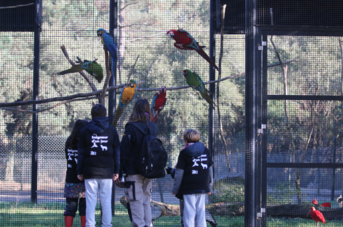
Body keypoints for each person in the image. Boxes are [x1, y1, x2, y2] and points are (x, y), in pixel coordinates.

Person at [77, 103, 120, 227]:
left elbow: (81, 153)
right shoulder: (112, 131)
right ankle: (107, 224)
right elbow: (117, 152)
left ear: (92, 115)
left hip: (90, 172)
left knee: (90, 201)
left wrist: (79, 171)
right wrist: (117, 170)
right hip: (107, 172)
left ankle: (90, 225)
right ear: (105, 115)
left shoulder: (85, 131)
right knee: (106, 201)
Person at [119, 98, 158, 227]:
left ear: (135, 109)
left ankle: (139, 225)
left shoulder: (131, 127)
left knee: (135, 200)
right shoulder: (153, 126)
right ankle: (148, 224)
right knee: (146, 201)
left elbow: (124, 151)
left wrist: (120, 172)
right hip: (149, 170)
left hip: (133, 171)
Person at [171, 129, 213, 227]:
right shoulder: (205, 150)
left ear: (185, 141)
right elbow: (210, 170)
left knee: (189, 212)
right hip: (203, 186)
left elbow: (179, 172)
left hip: (188, 187)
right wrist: (209, 186)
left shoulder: (184, 152)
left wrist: (175, 189)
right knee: (201, 212)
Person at [64, 119, 88, 227]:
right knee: (84, 207)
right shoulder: (85, 142)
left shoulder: (69, 142)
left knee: (70, 207)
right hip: (83, 179)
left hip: (70, 178)